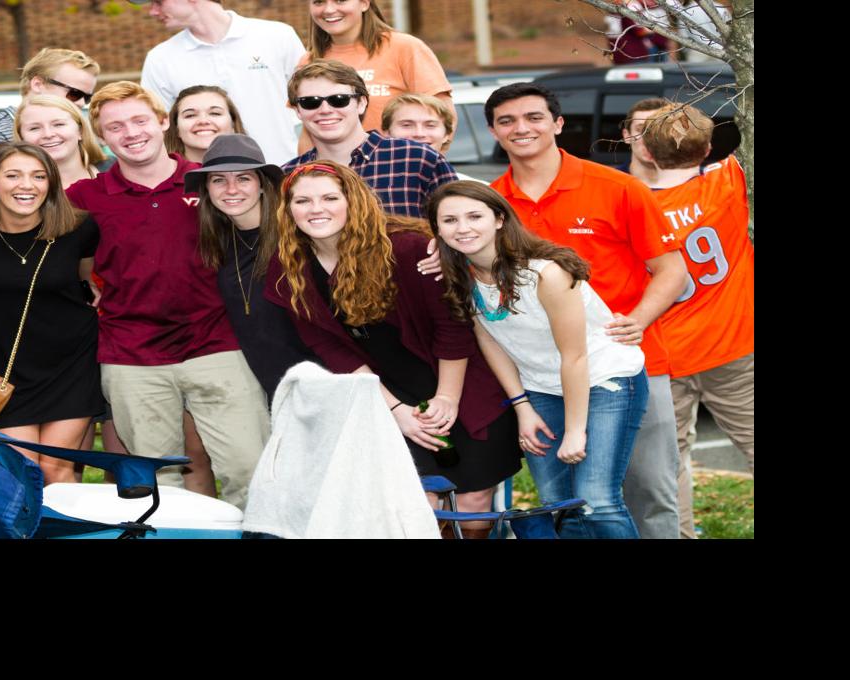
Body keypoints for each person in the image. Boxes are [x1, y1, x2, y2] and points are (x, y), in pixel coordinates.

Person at [421, 82, 687, 538]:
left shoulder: (616, 187)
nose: (521, 128)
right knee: (566, 501)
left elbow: (672, 270)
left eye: (534, 117)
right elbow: (478, 293)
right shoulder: (486, 205)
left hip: (620, 360)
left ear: (558, 124)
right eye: (507, 121)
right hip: (543, 376)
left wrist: (638, 320)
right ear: (492, 131)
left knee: (648, 492)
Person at [265, 161, 520, 537]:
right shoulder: (289, 267)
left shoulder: (406, 247)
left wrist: (447, 398)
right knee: (416, 505)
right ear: (288, 209)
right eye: (303, 201)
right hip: (387, 396)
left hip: (462, 384)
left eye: (329, 197)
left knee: (473, 506)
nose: (316, 209)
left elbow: (452, 326)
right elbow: (328, 346)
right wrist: (394, 409)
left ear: (352, 200)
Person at [66, 81, 268, 509]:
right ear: (101, 137)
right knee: (158, 487)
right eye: (115, 126)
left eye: (140, 120)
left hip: (217, 344)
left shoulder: (208, 183)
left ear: (162, 123)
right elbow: (18, 218)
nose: (131, 133)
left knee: (250, 469)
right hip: (132, 355)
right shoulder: (84, 197)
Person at [429, 180, 648, 539]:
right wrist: (522, 406)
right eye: (449, 220)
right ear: (437, 228)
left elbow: (575, 357)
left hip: (603, 380)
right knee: (555, 500)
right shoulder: (462, 277)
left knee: (596, 499)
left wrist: (576, 431)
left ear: (499, 218)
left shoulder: (545, 273)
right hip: (541, 387)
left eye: (474, 216)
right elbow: (492, 340)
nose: (463, 228)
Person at [0, 142, 102, 484]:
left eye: (38, 176)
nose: (27, 185)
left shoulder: (79, 228)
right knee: (20, 470)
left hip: (71, 362)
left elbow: (85, 277)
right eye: (13, 175)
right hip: (6, 366)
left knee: (55, 468)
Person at [640, 102, 753, 538]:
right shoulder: (728, 181)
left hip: (665, 350)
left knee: (670, 463)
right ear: (707, 148)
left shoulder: (633, 205)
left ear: (646, 153)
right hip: (732, 342)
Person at [183, 133, 317, 400]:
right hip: (264, 387)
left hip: (319, 380)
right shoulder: (215, 243)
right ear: (207, 190)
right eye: (219, 180)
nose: (231, 189)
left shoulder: (298, 237)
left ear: (262, 185)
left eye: (243, 178)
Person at [134, 0, 305, 164]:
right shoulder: (160, 59)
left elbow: (311, 105)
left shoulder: (278, 36)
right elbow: (157, 131)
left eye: (158, 2)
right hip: (210, 184)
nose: (153, 11)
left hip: (285, 172)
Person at [284, 60, 457, 218]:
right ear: (298, 110)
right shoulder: (288, 175)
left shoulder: (418, 159)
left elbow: (459, 223)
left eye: (339, 100)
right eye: (310, 102)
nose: (325, 110)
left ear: (361, 103)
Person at [301, 0, 454, 138]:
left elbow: (445, 118)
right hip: (334, 168)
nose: (328, 9)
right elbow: (308, 133)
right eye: (318, 2)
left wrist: (421, 164)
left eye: (340, 1)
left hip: (396, 166)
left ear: (364, 3)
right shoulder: (309, 61)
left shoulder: (404, 48)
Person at [0, 48, 101, 158]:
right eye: (74, 93)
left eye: (87, 97)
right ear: (38, 84)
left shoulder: (73, 131)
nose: (81, 103)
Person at [14, 94, 108, 189]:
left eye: (58, 124)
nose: (48, 134)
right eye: (34, 128)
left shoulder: (116, 170)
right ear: (21, 137)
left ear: (80, 131)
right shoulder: (19, 190)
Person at [164, 85, 247, 163]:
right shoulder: (158, 176)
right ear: (176, 128)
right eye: (190, 115)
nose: (203, 121)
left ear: (233, 124)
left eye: (215, 113)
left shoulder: (257, 172)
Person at [382, 92, 456, 155]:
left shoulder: (449, 172)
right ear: (387, 132)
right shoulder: (372, 171)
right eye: (407, 125)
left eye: (430, 125)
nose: (419, 134)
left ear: (446, 134)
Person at [616, 97, 671, 179]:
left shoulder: (694, 183)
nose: (650, 139)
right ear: (627, 136)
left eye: (659, 129)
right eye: (641, 130)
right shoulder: (611, 183)